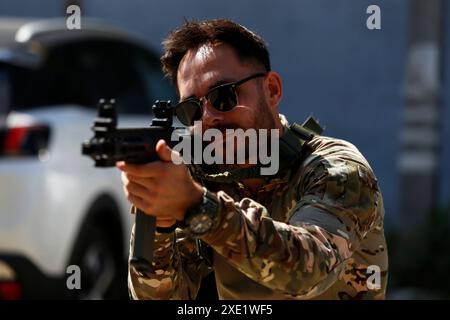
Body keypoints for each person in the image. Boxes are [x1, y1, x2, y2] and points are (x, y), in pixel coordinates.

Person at [117, 19, 388, 300]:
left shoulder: (336, 168)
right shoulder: (203, 176)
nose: (209, 117)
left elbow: (307, 272)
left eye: (223, 95)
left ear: (272, 90)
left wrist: (196, 206)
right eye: (192, 109)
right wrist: (159, 220)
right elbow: (161, 297)